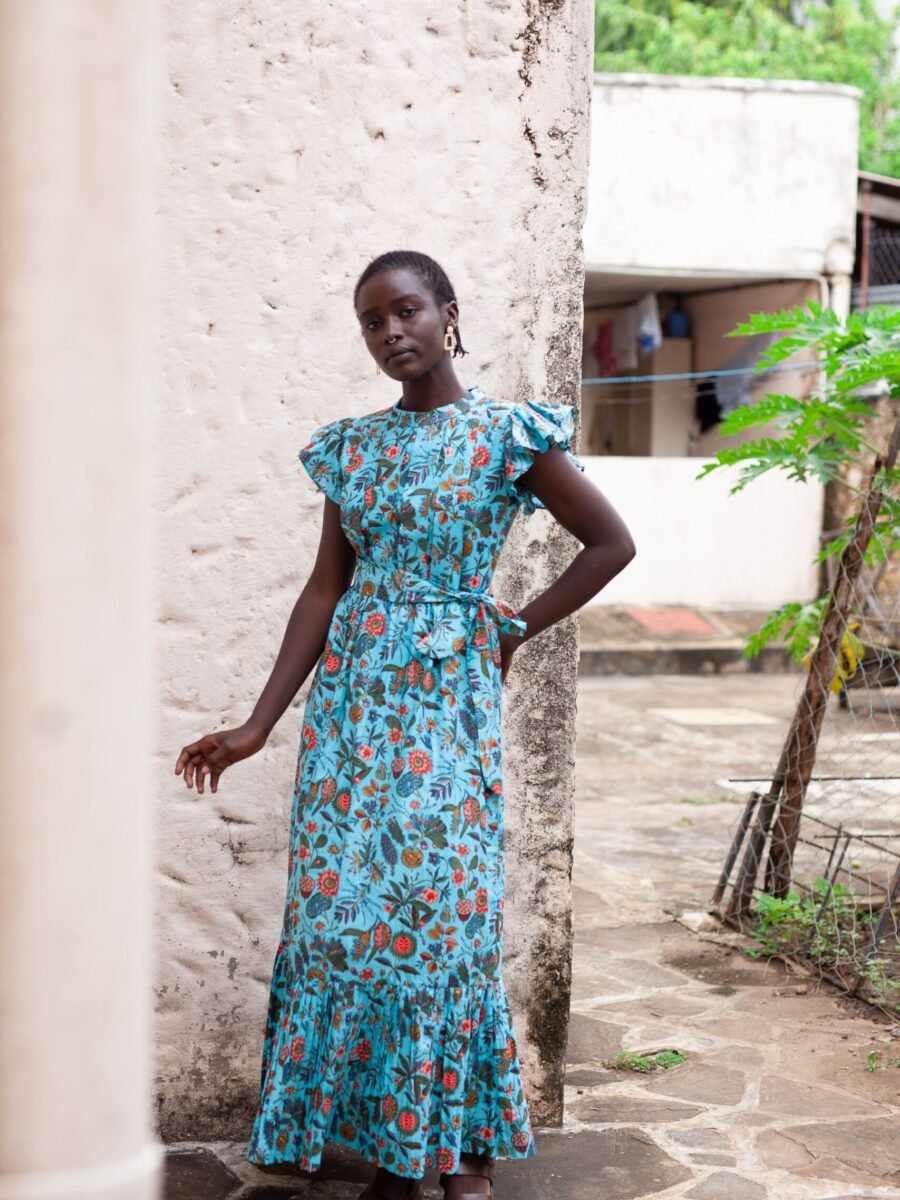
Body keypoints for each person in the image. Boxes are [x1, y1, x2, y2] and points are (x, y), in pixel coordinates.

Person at [174, 250, 636, 1200]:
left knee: (442, 920)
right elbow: (324, 590)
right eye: (372, 322)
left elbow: (611, 544)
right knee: (349, 926)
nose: (391, 333)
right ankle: (399, 1145)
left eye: (406, 312)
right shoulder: (352, 449)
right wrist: (261, 724)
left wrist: (513, 627)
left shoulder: (510, 434)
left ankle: (456, 1150)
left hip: (446, 706)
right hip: (352, 713)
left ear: (447, 315)